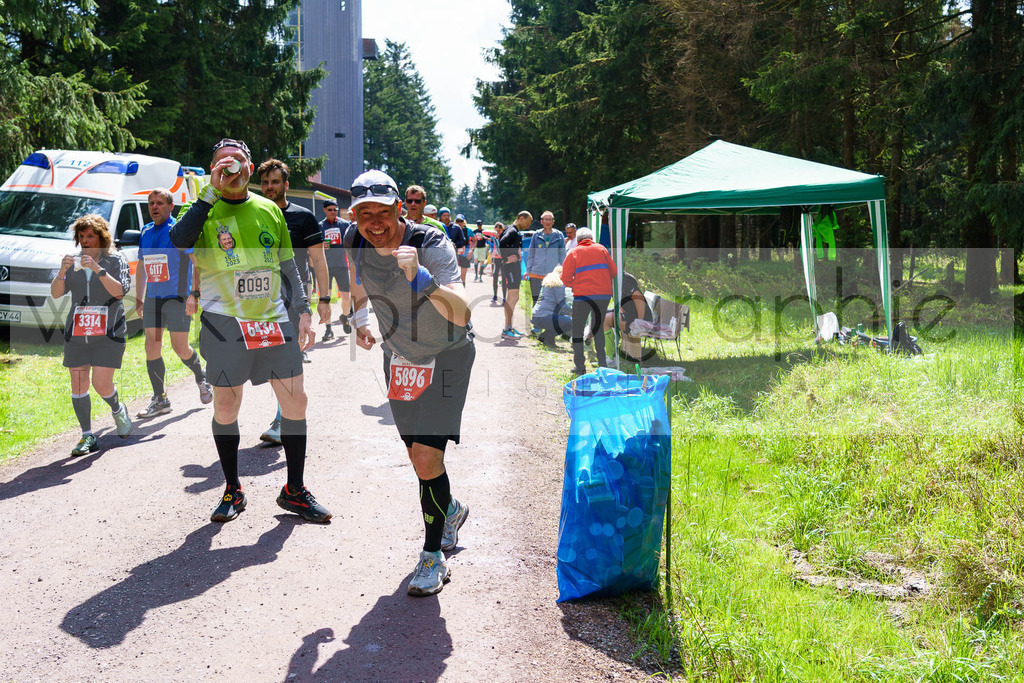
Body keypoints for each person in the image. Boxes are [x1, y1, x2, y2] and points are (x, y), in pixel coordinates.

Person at [170, 138, 331, 524]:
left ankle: (294, 489)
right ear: (212, 168)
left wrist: (305, 310)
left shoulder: (269, 210)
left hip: (272, 321)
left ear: (249, 165)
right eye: (221, 161)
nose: (229, 166)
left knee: (296, 401)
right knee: (227, 406)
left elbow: (288, 267)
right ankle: (232, 489)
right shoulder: (204, 210)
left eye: (236, 160)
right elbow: (178, 239)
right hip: (224, 324)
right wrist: (208, 194)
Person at [345, 169, 474, 597]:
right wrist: (360, 319)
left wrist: (421, 278)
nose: (375, 222)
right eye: (365, 214)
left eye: (383, 212)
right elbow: (357, 283)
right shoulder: (355, 239)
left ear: (400, 209)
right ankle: (450, 509)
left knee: (424, 458)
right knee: (419, 457)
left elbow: (462, 313)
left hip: (448, 356)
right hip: (399, 359)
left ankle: (432, 556)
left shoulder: (431, 243)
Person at [255, 158, 332, 444]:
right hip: (258, 299)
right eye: (265, 183)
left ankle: (282, 418)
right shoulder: (255, 216)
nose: (269, 187)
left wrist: (324, 299)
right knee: (268, 357)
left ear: (286, 185)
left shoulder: (303, 218)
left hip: (293, 298)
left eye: (275, 182)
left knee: (285, 356)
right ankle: (288, 412)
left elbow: (318, 259)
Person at [50, 214, 133, 455]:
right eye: (81, 237)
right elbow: (56, 293)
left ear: (102, 238)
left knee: (101, 383)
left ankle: (117, 409)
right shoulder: (74, 262)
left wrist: (97, 269)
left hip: (109, 333)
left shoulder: (115, 260)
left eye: (90, 237)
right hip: (77, 333)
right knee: (78, 384)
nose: (85, 241)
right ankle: (87, 436)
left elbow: (120, 292)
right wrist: (62, 272)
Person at [135, 188, 213, 418]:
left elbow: (195, 262)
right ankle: (160, 399)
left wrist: (194, 294)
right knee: (152, 346)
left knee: (180, 347)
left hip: (178, 298)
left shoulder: (178, 231)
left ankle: (201, 376)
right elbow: (141, 265)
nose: (154, 207)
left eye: (159, 203)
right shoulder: (146, 231)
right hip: (153, 299)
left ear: (170, 206)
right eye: (151, 203)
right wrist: (139, 299)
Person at [561, 227, 616, 375]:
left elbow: (565, 278)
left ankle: (580, 367)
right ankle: (602, 365)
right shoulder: (602, 249)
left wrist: (576, 284)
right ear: (591, 238)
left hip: (582, 296)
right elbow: (614, 271)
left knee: (577, 330)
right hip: (603, 296)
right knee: (598, 328)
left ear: (578, 240)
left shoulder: (573, 252)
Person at [318, 199, 353, 340]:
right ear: (324, 210)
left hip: (342, 265)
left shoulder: (344, 225)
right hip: (325, 267)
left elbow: (351, 242)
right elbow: (315, 246)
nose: (333, 212)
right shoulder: (320, 226)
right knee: (326, 299)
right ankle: (328, 329)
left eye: (335, 209)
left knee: (346, 297)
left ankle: (344, 316)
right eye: (330, 210)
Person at [603, 271, 652, 360]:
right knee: (600, 315)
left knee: (606, 319)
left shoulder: (622, 280)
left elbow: (638, 297)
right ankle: (608, 353)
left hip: (642, 319)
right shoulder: (611, 279)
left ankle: (611, 358)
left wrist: (639, 322)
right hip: (630, 315)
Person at [526, 210, 566, 308]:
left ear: (553, 222)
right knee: (536, 301)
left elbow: (562, 255)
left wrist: (560, 271)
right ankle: (536, 322)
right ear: (541, 222)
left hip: (552, 276)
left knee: (552, 301)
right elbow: (531, 254)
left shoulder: (559, 235)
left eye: (549, 220)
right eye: (545, 220)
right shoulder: (536, 235)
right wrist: (528, 270)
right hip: (536, 273)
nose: (547, 222)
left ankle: (550, 322)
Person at [499, 212, 529, 338]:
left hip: (514, 267)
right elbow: (501, 242)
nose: (528, 225)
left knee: (513, 297)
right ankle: (507, 329)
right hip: (510, 267)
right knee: (513, 297)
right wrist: (505, 258)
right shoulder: (512, 230)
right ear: (521, 218)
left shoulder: (513, 230)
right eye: (528, 222)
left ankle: (509, 327)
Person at [530, 265, 571, 347]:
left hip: (536, 316)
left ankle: (548, 339)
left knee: (559, 318)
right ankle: (546, 336)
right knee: (571, 322)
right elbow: (562, 305)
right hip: (545, 317)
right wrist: (574, 312)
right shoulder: (558, 284)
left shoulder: (548, 283)